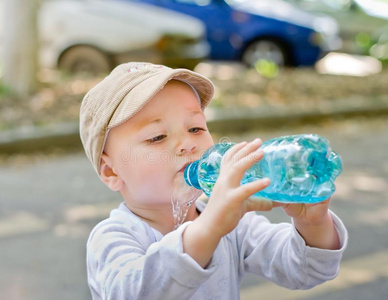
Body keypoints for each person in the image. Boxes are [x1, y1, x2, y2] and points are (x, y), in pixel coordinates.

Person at [79, 62, 348, 300]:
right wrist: (208, 230)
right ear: (111, 172)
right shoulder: (113, 237)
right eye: (157, 136)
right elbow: (134, 292)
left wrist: (312, 222)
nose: (187, 144)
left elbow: (306, 271)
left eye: (195, 128)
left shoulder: (231, 221)